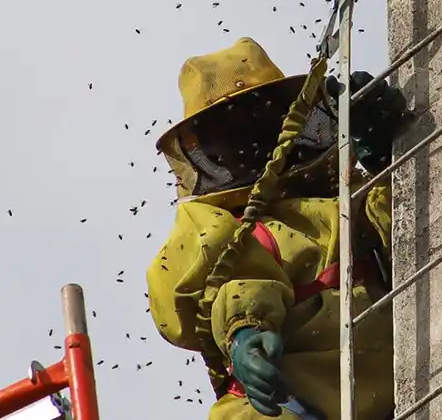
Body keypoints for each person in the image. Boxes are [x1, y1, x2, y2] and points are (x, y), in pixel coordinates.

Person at [147, 37, 410, 419]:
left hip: (398, 388)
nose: (249, 140)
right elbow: (226, 279)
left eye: (258, 118)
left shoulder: (351, 202)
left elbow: (413, 232)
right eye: (232, 133)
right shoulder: (225, 229)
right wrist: (244, 329)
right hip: (289, 405)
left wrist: (389, 155)